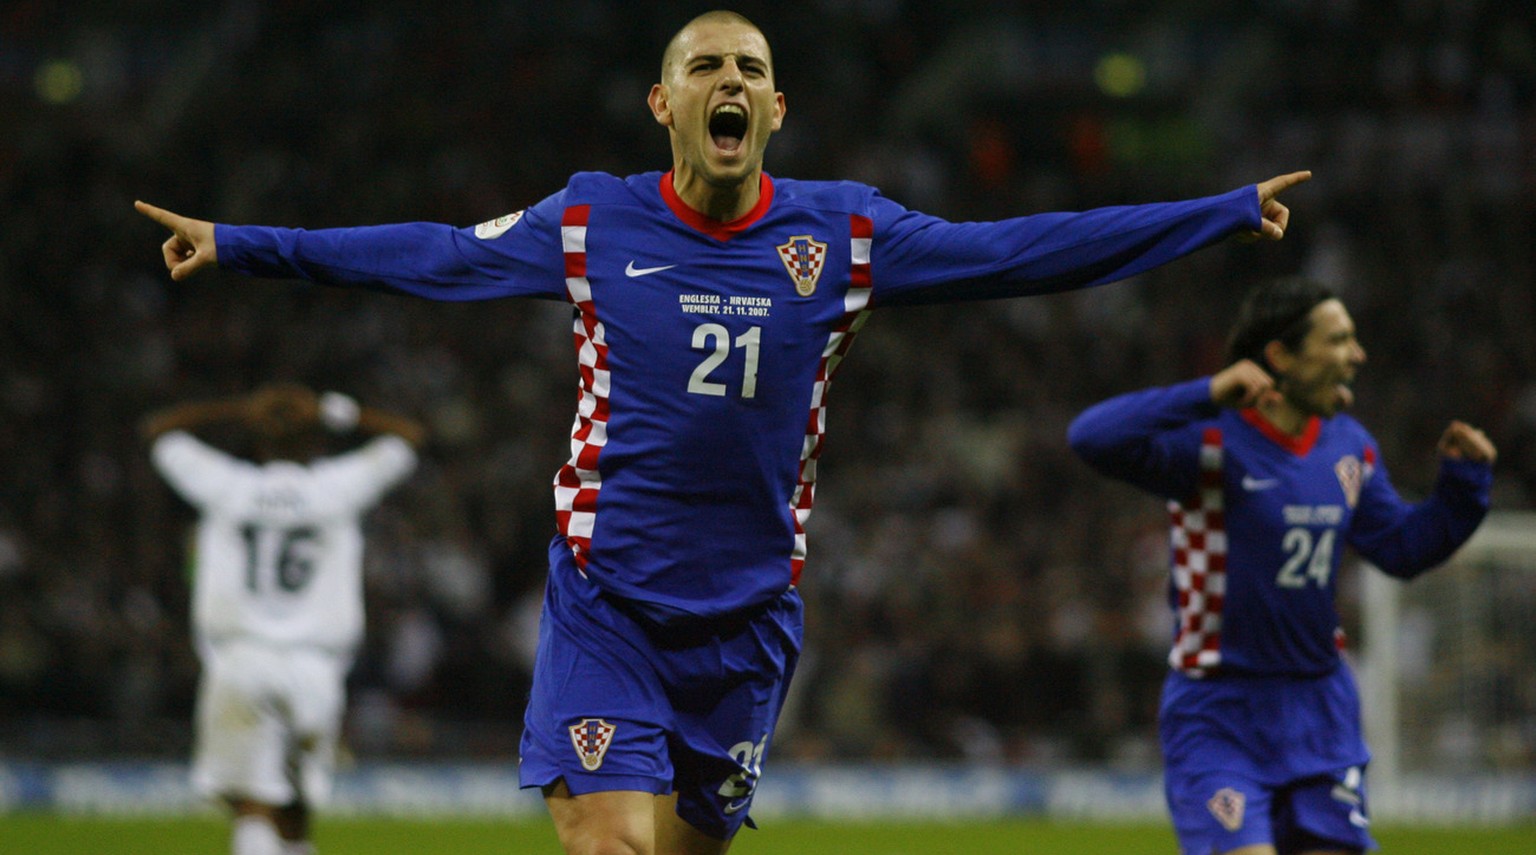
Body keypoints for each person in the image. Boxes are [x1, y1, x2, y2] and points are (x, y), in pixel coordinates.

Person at [135, 10, 1312, 854]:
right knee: (606, 844)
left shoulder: (844, 236)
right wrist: (247, 242)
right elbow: (437, 253)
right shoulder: (592, 219)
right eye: (704, 65)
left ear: (776, 108)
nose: (727, 80)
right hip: (608, 602)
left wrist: (1209, 214)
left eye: (749, 66)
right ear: (666, 103)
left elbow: (1016, 251)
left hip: (747, 623)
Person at [1066, 276, 1496, 855]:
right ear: (1281, 356)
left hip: (1320, 712)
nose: (1357, 356)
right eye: (1339, 340)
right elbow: (1091, 437)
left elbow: (1399, 549)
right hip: (1220, 713)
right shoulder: (1210, 441)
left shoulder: (1349, 444)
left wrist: (1462, 492)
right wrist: (1209, 390)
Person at [142, 383, 425, 855]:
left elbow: (157, 431)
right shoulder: (338, 487)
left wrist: (240, 407)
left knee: (253, 804)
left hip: (241, 659)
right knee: (296, 808)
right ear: (314, 438)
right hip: (315, 667)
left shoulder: (225, 485)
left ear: (257, 436)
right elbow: (410, 436)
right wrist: (334, 412)